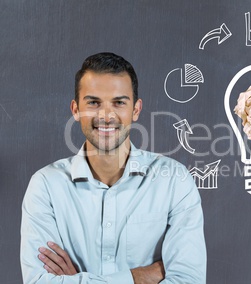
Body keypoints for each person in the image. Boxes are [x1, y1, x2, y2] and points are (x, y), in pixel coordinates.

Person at [20, 52, 207, 283]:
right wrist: (137, 277)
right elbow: (38, 281)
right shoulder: (46, 186)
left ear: (136, 110)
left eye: (119, 103)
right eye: (93, 102)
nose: (106, 116)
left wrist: (79, 280)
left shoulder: (174, 181)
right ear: (75, 109)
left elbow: (188, 280)